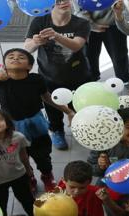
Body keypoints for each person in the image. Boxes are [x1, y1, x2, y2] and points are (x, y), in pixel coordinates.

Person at [0, 48, 59, 191]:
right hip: (12, 126)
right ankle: (29, 175)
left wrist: (67, 110)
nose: (15, 58)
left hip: (36, 124)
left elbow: (47, 97)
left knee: (43, 154)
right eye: (10, 56)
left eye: (21, 57)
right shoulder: (2, 79)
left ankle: (47, 175)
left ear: (29, 66)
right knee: (17, 155)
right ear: (4, 66)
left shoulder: (36, 79)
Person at [25, 0, 93, 151]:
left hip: (79, 76)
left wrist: (56, 35)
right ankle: (57, 131)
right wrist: (36, 42)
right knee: (53, 109)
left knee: (80, 106)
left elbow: (76, 45)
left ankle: (83, 129)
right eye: (58, 0)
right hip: (50, 76)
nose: (63, 2)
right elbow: (27, 48)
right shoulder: (39, 21)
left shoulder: (81, 23)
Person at [81, 0, 129, 84]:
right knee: (89, 56)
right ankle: (92, 82)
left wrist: (119, 11)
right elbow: (79, 9)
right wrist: (92, 25)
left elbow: (121, 4)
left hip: (113, 23)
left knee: (119, 55)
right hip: (87, 25)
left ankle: (124, 80)